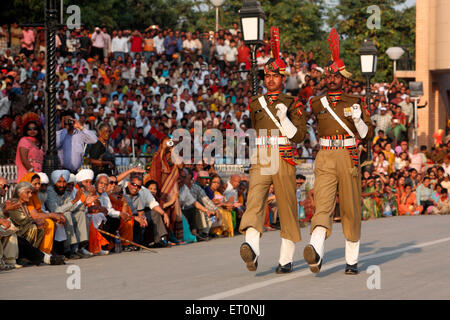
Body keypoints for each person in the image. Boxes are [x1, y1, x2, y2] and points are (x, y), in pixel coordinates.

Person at [303, 28, 374, 275]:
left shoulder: (354, 100)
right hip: (325, 154)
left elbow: (367, 135)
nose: (332, 79)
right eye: (329, 76)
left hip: (348, 154)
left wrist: (359, 121)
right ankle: (315, 249)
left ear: (343, 79)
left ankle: (352, 260)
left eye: (336, 76)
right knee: (322, 203)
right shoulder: (316, 102)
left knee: (350, 207)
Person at [238, 27, 307, 274]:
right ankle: (252, 249)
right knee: (254, 200)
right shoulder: (256, 103)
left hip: (284, 153)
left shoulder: (293, 103)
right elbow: (257, 129)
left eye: (275, 76)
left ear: (283, 78)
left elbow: (300, 135)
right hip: (262, 153)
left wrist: (285, 121)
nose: (270, 80)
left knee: (287, 206)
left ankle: (286, 259)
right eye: (267, 76)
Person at [46, 169, 93, 259]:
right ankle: (67, 250)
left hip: (64, 215)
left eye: (64, 182)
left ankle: (77, 248)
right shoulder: (50, 191)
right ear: (54, 181)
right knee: (67, 214)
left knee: (80, 214)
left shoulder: (65, 191)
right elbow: (55, 210)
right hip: (52, 216)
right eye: (59, 182)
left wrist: (85, 203)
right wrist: (74, 200)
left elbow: (72, 208)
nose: (62, 185)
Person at [15, 113, 45, 182]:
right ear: (26, 130)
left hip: (38, 174)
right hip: (27, 174)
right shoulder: (24, 140)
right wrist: (32, 173)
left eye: (35, 129)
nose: (32, 131)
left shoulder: (38, 142)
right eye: (29, 129)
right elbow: (24, 159)